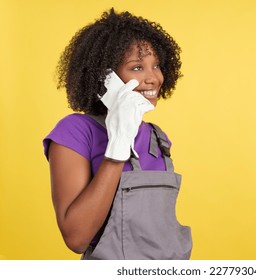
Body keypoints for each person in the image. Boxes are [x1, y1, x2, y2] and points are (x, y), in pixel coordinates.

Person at [43, 8, 192, 260]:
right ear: (106, 77)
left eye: (156, 65)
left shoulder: (159, 139)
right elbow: (76, 237)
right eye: (136, 68)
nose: (153, 78)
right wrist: (117, 147)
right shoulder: (75, 132)